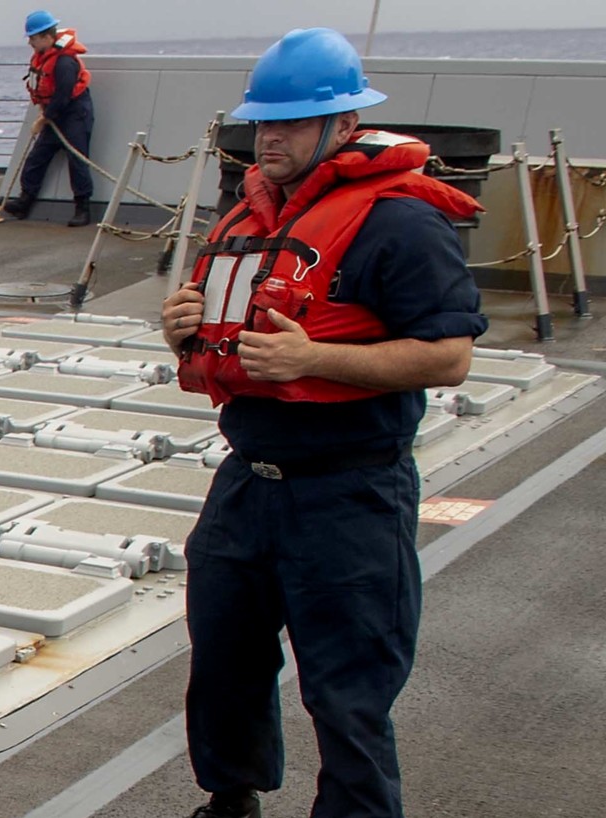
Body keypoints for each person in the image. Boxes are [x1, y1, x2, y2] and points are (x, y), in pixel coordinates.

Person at [161, 28, 486, 818]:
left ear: (343, 126)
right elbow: (233, 333)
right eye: (261, 123)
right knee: (226, 664)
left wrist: (317, 362)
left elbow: (448, 359)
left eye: (288, 124)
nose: (267, 138)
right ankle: (231, 801)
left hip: (350, 493)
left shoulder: (401, 224)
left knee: (349, 693)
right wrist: (183, 327)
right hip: (247, 483)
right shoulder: (250, 213)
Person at [6, 10, 95, 227]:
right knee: (37, 158)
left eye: (33, 38)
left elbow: (64, 95)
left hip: (74, 114)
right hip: (55, 114)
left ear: (47, 37)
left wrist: (44, 118)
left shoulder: (64, 62)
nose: (30, 43)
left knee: (77, 161)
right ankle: (25, 201)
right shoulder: (44, 58)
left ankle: (82, 208)